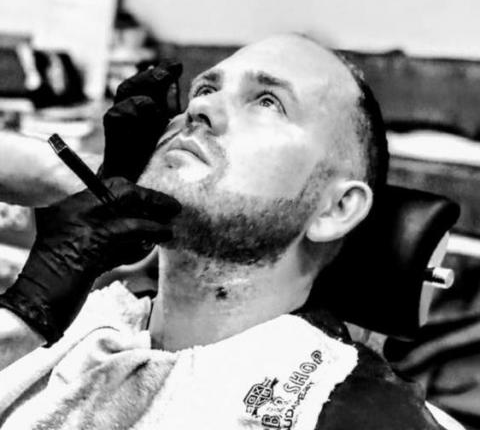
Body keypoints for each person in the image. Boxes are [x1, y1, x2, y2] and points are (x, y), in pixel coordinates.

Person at [0, 34, 449, 429]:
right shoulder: (80, 326)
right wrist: (28, 308)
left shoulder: (350, 413)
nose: (200, 108)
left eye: (268, 101)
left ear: (335, 209)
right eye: (205, 89)